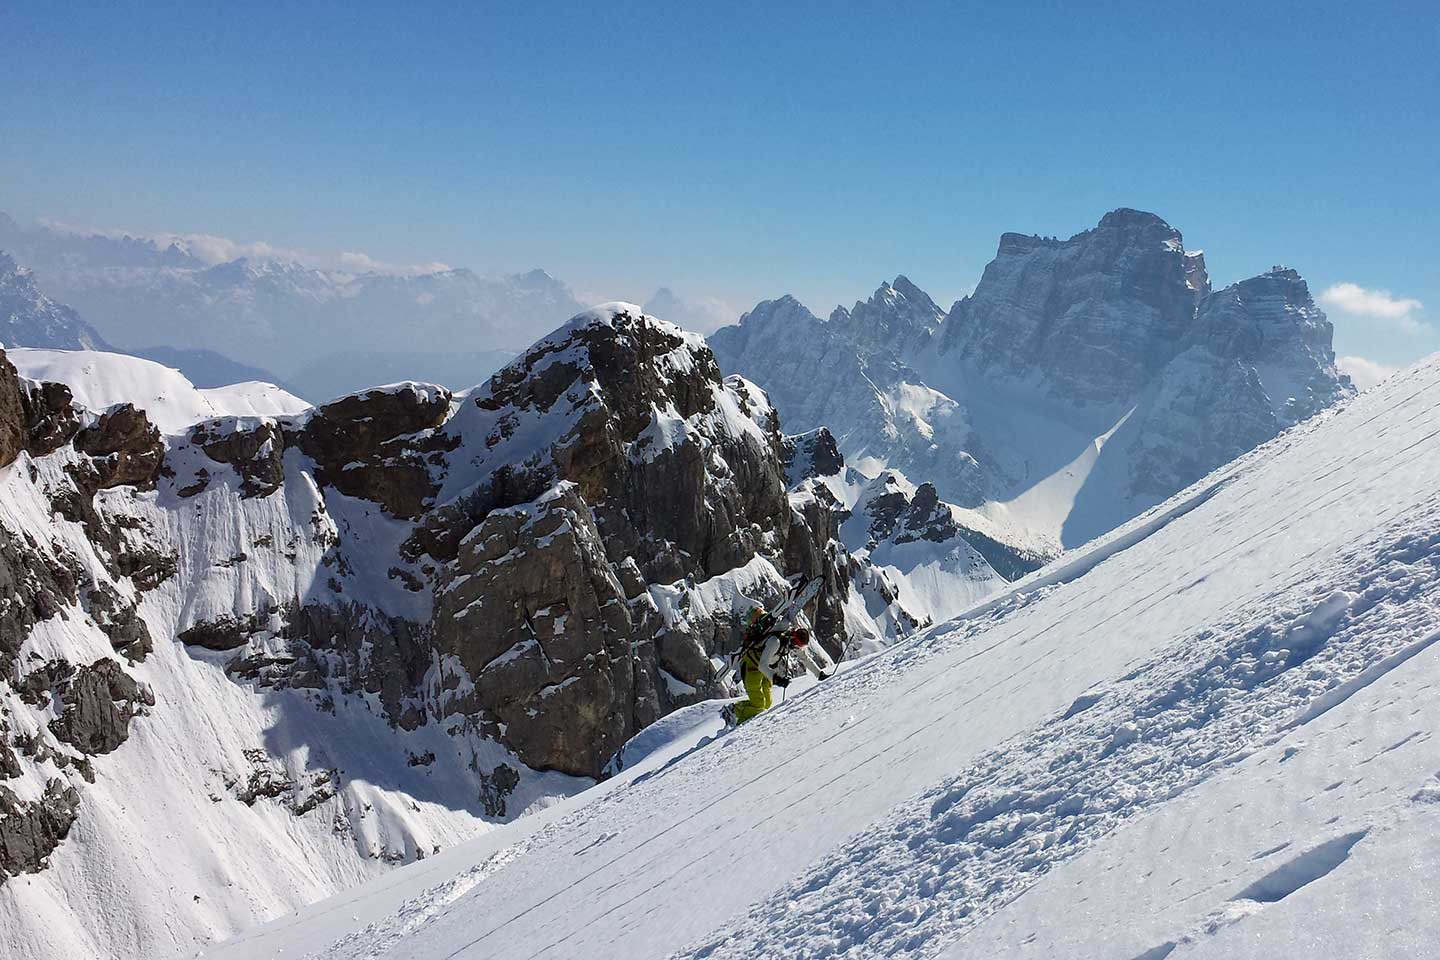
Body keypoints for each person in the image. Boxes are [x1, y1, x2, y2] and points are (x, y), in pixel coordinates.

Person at [725, 607, 831, 726]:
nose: (796, 647)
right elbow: (762, 665)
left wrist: (819, 674)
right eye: (796, 644)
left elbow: (805, 658)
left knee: (768, 703)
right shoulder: (775, 642)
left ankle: (739, 717)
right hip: (751, 667)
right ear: (793, 638)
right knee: (759, 705)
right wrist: (776, 679)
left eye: (798, 646)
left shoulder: (789, 643)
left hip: (765, 670)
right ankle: (734, 712)